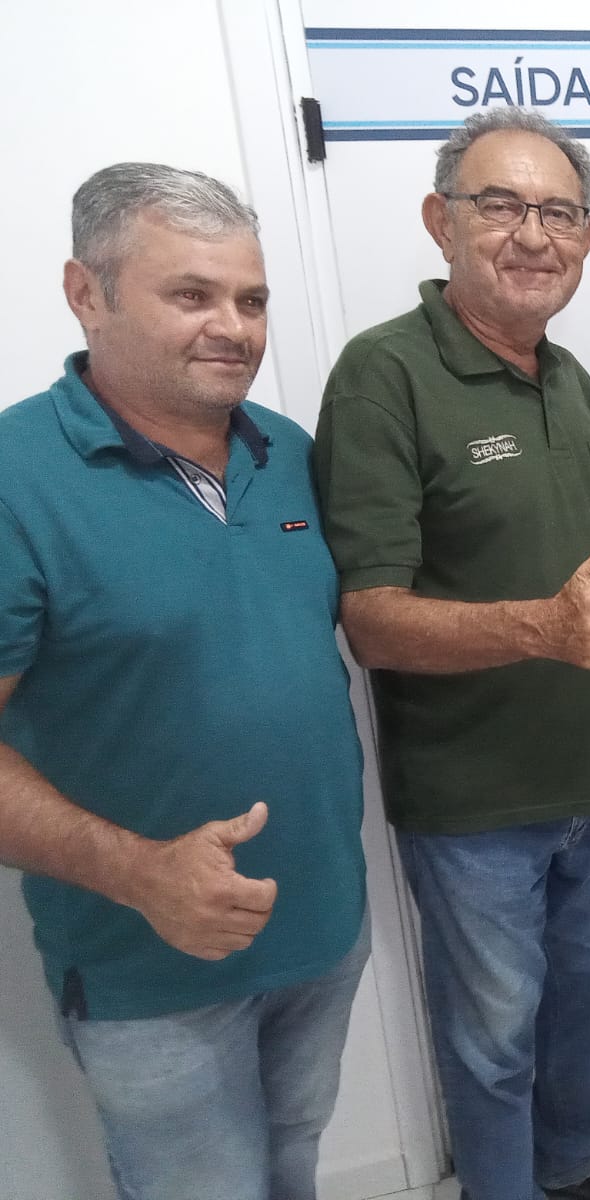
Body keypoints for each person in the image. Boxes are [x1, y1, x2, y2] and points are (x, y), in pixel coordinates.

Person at [312, 109, 590, 1200]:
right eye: (501, 206)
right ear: (441, 221)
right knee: (493, 1035)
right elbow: (371, 617)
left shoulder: (571, 379)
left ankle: (574, 1167)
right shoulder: (382, 374)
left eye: (558, 212)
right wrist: (542, 631)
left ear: (587, 236)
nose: (532, 235)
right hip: (473, 802)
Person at [0, 162, 368, 1200]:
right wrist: (139, 872)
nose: (233, 328)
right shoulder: (16, 478)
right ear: (87, 293)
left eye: (251, 299)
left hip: (320, 934)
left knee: (293, 1165)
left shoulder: (288, 452)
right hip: (148, 973)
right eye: (192, 295)